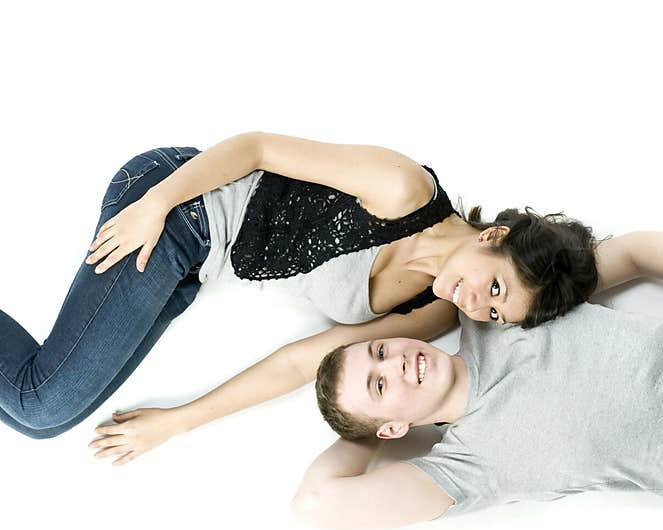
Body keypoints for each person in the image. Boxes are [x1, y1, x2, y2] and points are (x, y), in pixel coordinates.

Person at [0, 132, 599, 461]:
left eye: (495, 311)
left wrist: (176, 425)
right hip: (177, 207)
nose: (477, 305)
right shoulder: (403, 189)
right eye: (494, 285)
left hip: (198, 265)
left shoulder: (433, 309)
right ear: (495, 236)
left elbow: (300, 362)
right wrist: (154, 206)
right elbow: (257, 148)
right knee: (40, 405)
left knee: (41, 415)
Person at [299, 240, 663, 530]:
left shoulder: (501, 309)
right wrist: (361, 428)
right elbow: (317, 502)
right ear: (393, 429)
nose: (397, 362)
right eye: (380, 384)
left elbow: (629, 252)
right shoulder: (462, 468)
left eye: (381, 351)